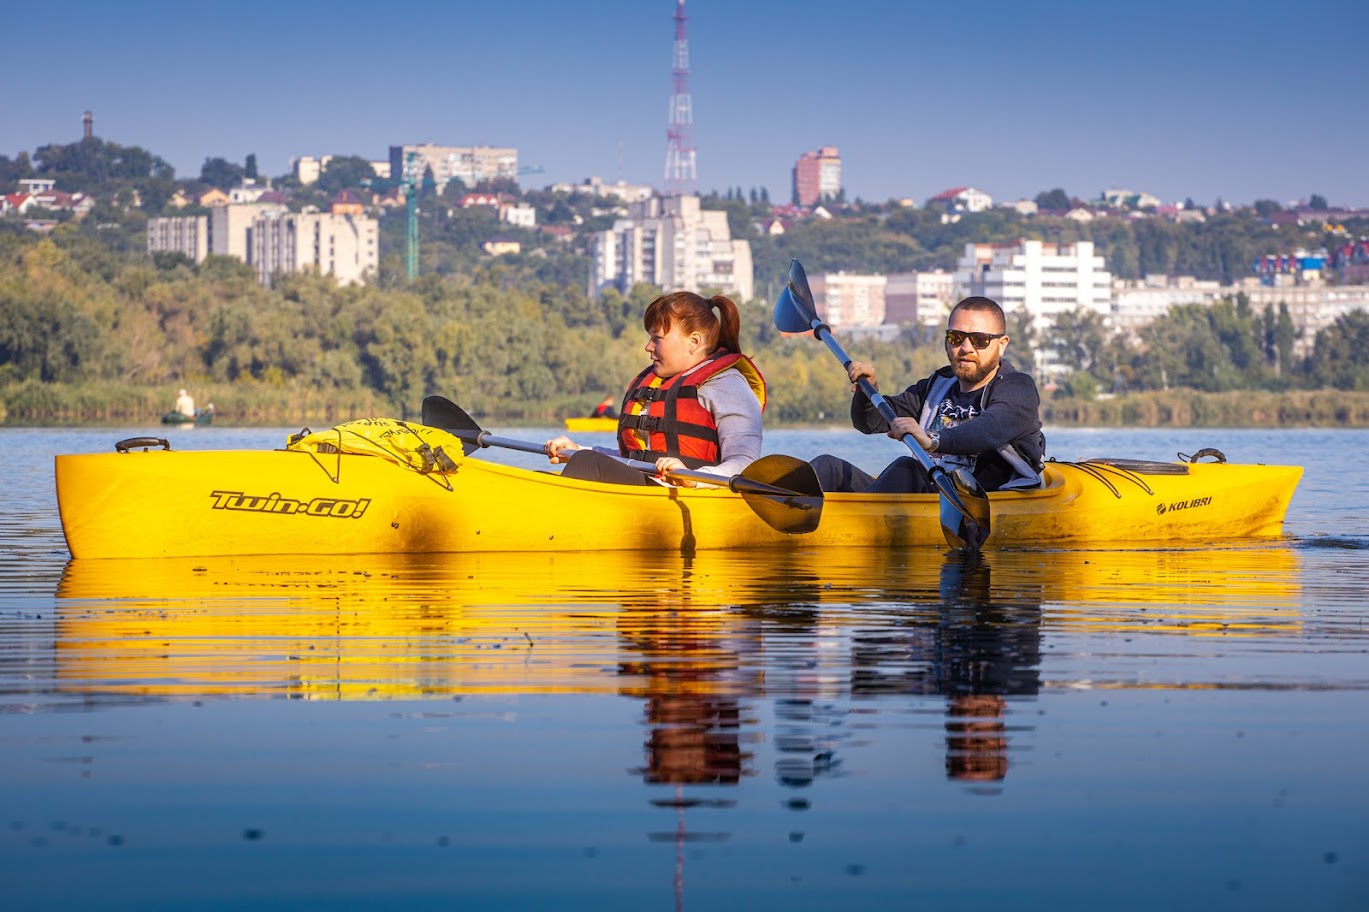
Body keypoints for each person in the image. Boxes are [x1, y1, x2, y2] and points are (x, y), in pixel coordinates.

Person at [810, 295, 1044, 493]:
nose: (965, 348)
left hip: (979, 502)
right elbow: (871, 422)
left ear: (1001, 344)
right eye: (956, 337)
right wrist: (867, 391)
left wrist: (933, 440)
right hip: (925, 493)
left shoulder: (1018, 388)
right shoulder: (937, 386)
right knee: (828, 468)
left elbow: (992, 428)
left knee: (907, 470)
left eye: (980, 340)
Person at [544, 291, 766, 486]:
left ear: (694, 342)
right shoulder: (657, 383)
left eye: (657, 338)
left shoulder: (728, 385)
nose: (648, 347)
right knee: (551, 473)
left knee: (589, 463)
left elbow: (744, 464)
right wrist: (576, 451)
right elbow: (633, 458)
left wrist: (693, 478)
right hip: (645, 493)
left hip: (691, 503)